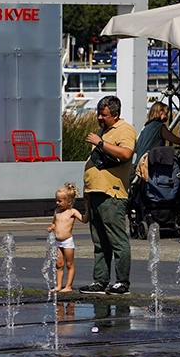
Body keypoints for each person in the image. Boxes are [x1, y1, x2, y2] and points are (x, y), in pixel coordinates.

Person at [79, 95, 137, 296]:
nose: (99, 118)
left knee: (117, 240)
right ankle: (100, 280)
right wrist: (87, 191)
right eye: (98, 114)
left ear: (115, 114)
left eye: (103, 115)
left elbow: (126, 154)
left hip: (111, 193)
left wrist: (100, 143)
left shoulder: (124, 129)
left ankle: (122, 282)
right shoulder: (102, 131)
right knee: (99, 241)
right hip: (95, 192)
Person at [133, 101, 180, 168]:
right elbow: (176, 140)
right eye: (165, 114)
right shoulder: (159, 126)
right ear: (160, 112)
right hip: (149, 165)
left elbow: (137, 148)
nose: (167, 116)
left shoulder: (146, 127)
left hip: (139, 164)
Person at [48, 183, 83, 292]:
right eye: (56, 200)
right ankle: (58, 285)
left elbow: (84, 219)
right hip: (58, 242)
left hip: (67, 242)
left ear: (69, 202)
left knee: (69, 264)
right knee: (59, 264)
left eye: (60, 201)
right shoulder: (57, 211)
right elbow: (54, 222)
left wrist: (88, 210)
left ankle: (68, 286)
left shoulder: (72, 212)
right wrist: (51, 227)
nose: (57, 203)